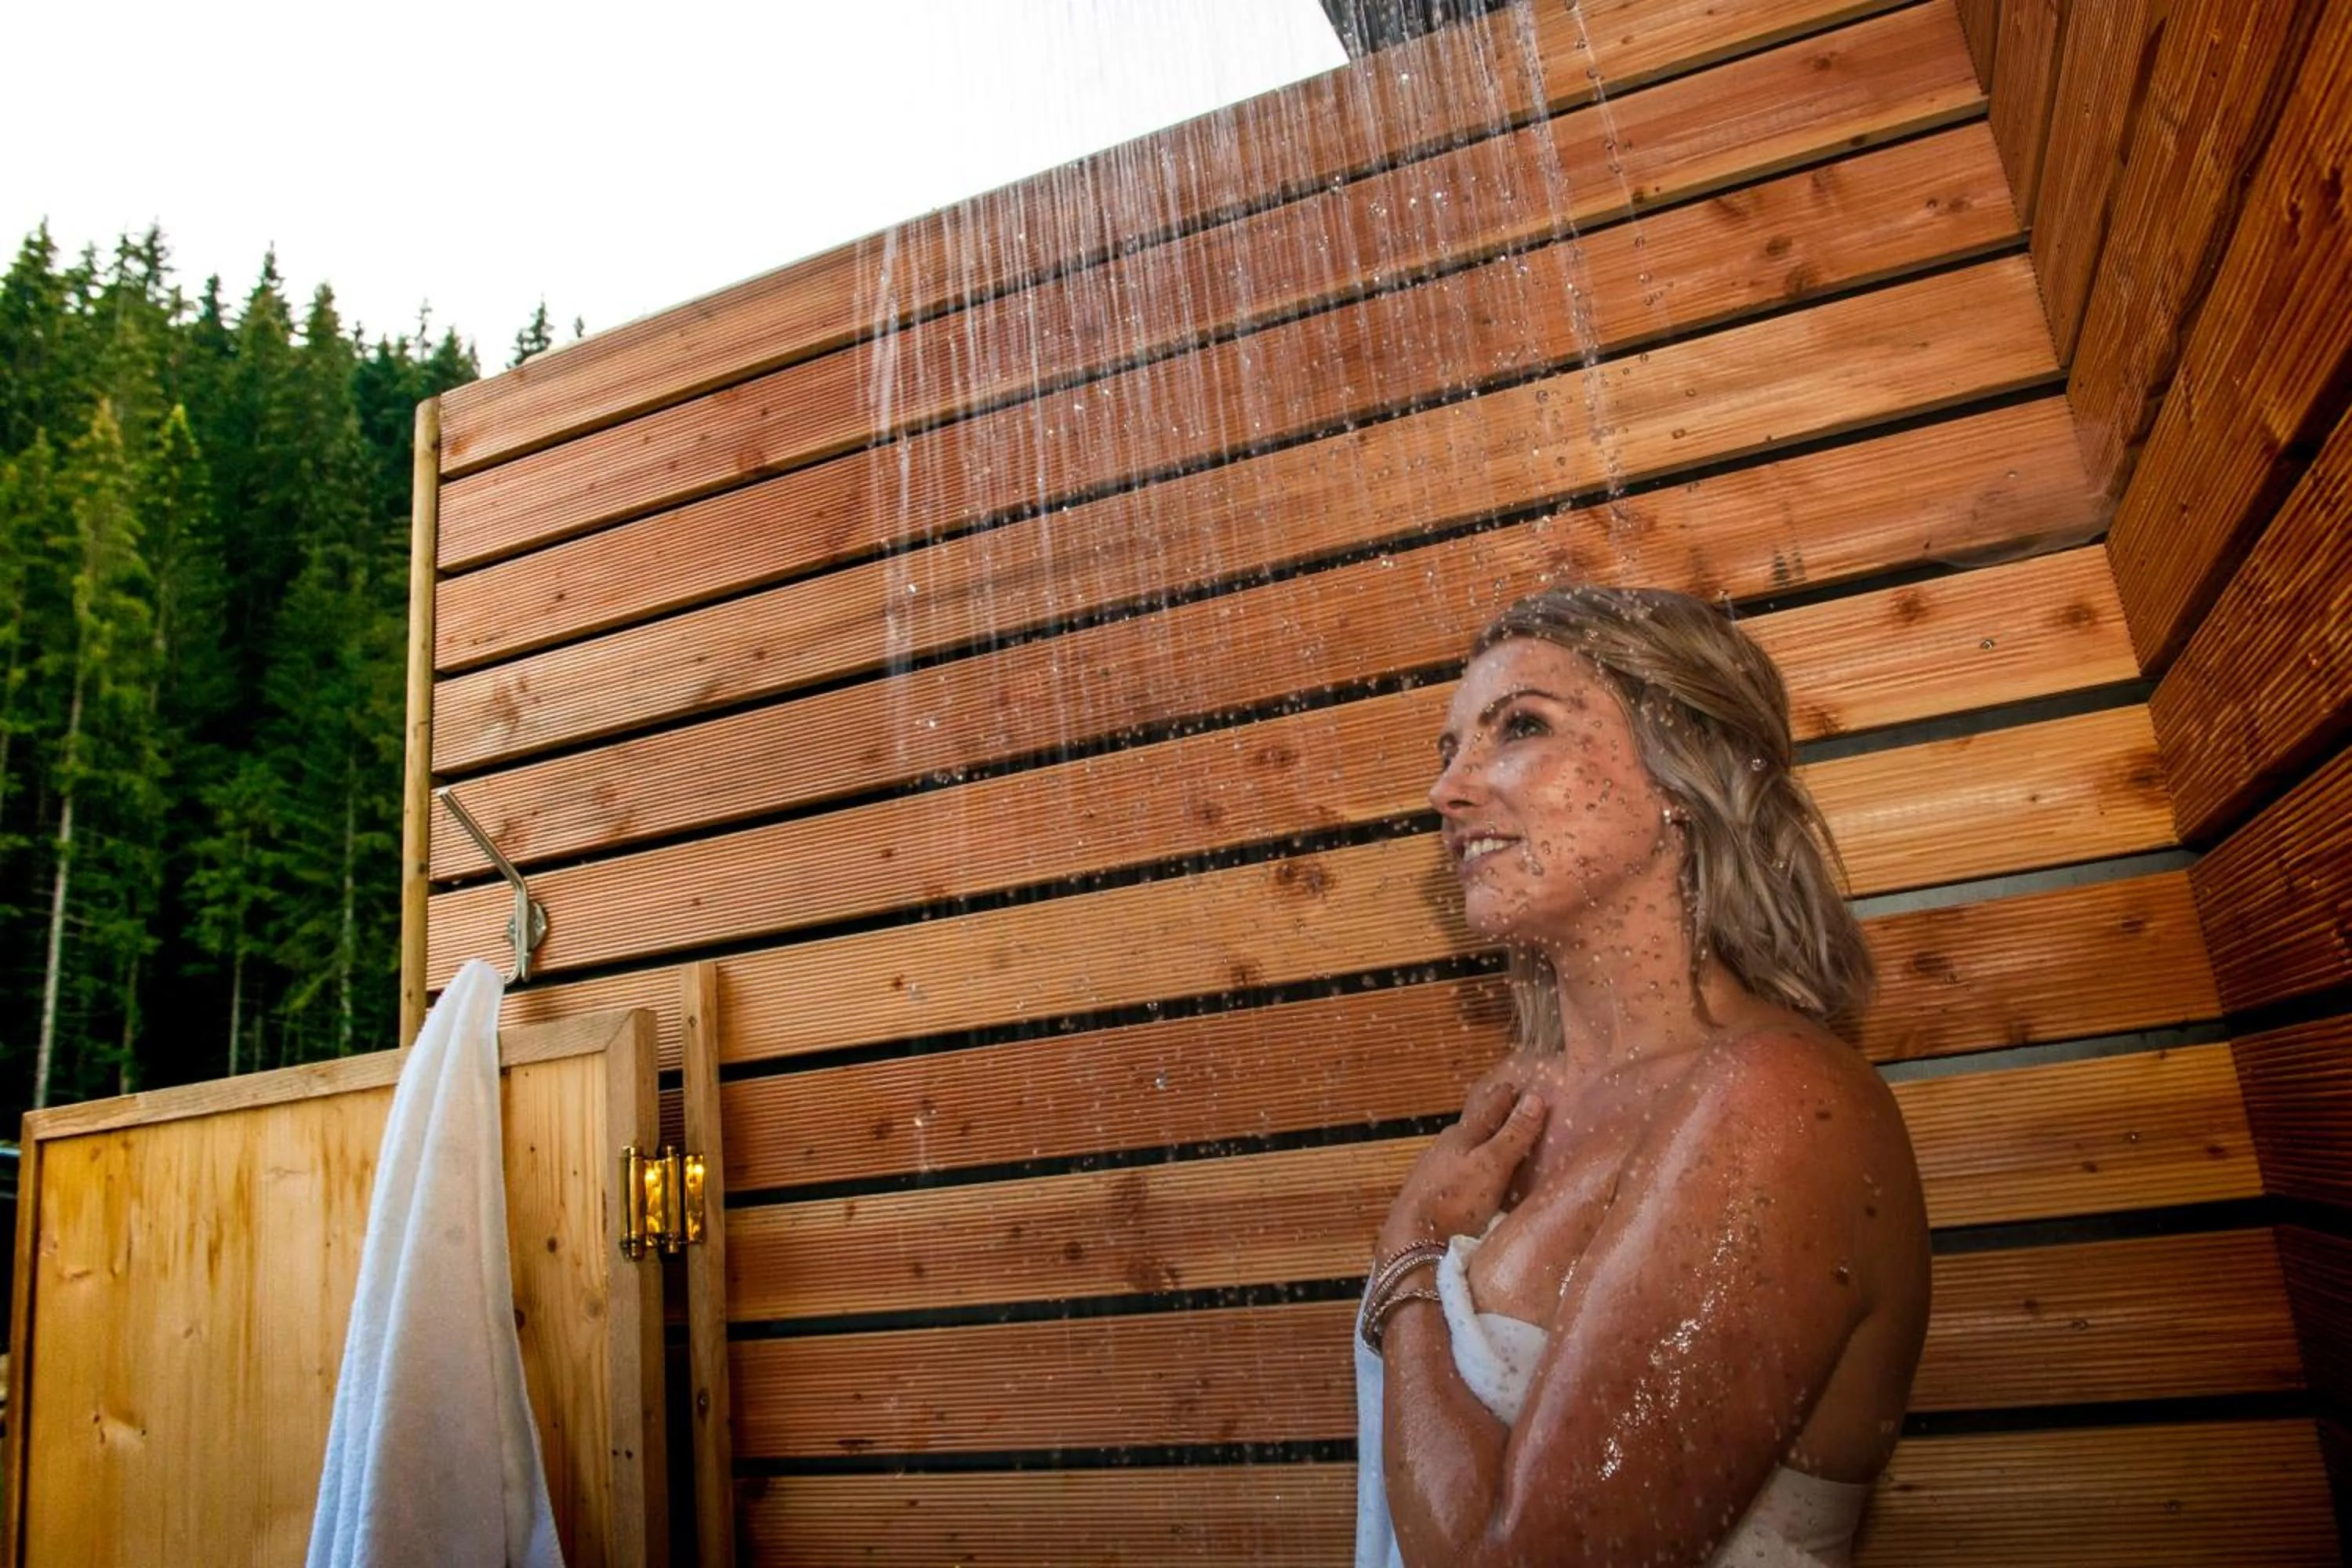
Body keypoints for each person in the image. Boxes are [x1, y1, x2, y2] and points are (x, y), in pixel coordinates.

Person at [1355, 586, 1931, 1567]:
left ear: (1682, 771)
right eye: (1448, 750)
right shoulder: (1516, 1100)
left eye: (1520, 726)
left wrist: (1409, 1260)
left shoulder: (1782, 1103)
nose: (1446, 791)